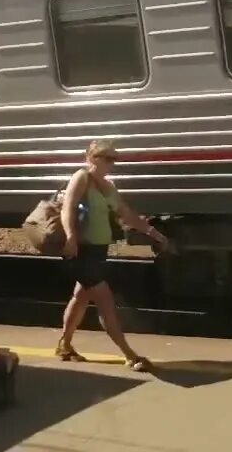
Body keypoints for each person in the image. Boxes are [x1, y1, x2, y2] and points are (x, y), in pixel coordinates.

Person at [56, 139, 171, 371]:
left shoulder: (108, 186)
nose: (111, 163)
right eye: (106, 157)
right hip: (83, 250)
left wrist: (153, 232)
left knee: (80, 297)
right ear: (91, 157)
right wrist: (69, 236)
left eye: (113, 158)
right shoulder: (82, 178)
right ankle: (130, 355)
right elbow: (68, 208)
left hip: (99, 250)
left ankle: (64, 345)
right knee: (106, 301)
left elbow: (126, 213)